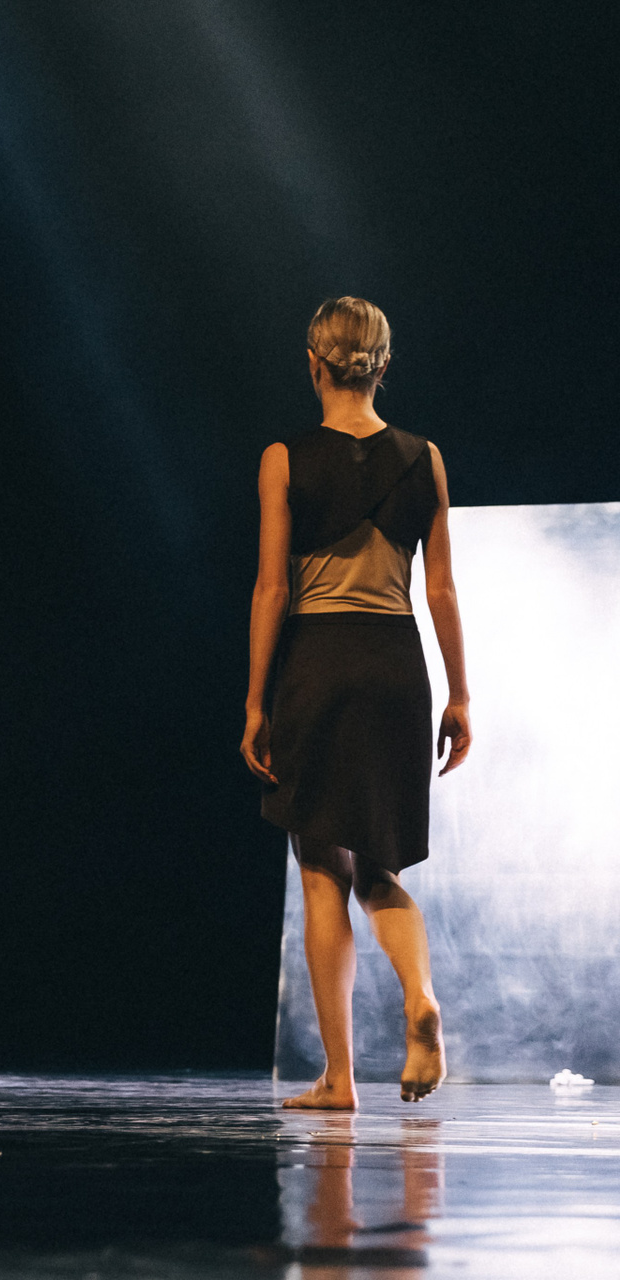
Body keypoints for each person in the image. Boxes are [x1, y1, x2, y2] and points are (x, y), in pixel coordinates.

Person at [241, 297, 471, 1111]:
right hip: (398, 665)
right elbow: (440, 590)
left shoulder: (284, 458)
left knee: (320, 872)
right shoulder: (424, 458)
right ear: (383, 365)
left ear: (314, 363)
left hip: (320, 661)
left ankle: (339, 1079)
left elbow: (272, 589)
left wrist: (255, 703)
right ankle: (420, 996)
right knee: (382, 869)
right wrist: (461, 695)